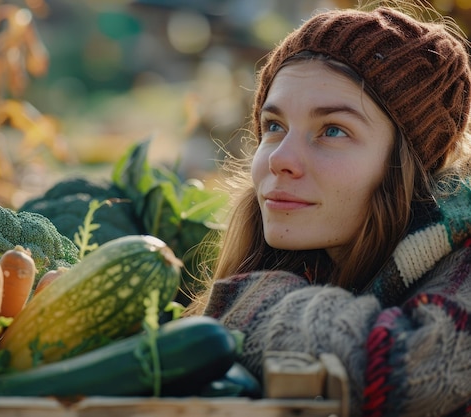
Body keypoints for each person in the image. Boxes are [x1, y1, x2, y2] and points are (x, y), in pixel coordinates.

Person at [186, 1, 471, 415]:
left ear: (407, 164)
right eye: (274, 126)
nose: (281, 158)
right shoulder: (312, 263)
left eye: (332, 130)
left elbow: (411, 372)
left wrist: (255, 306)